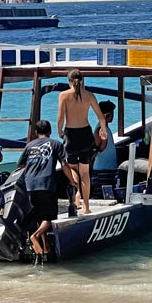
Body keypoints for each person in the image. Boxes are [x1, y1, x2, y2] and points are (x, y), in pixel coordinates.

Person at [17, 119, 75, 263]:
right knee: (49, 218)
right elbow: (64, 164)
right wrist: (72, 181)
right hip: (46, 184)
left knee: (39, 217)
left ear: (36, 133)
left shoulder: (29, 146)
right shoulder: (56, 144)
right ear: (50, 132)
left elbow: (20, 165)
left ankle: (45, 247)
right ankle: (35, 236)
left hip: (30, 185)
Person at [57, 69, 108, 215]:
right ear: (82, 80)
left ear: (69, 81)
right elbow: (101, 117)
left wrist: (60, 131)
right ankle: (86, 206)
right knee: (85, 172)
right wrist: (103, 130)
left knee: (73, 169)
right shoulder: (89, 96)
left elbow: (60, 118)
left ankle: (77, 195)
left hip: (71, 135)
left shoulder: (64, 95)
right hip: (86, 134)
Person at [92, 100, 117, 172]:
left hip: (107, 168)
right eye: (112, 113)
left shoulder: (104, 128)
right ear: (108, 115)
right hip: (103, 169)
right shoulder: (101, 129)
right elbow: (99, 148)